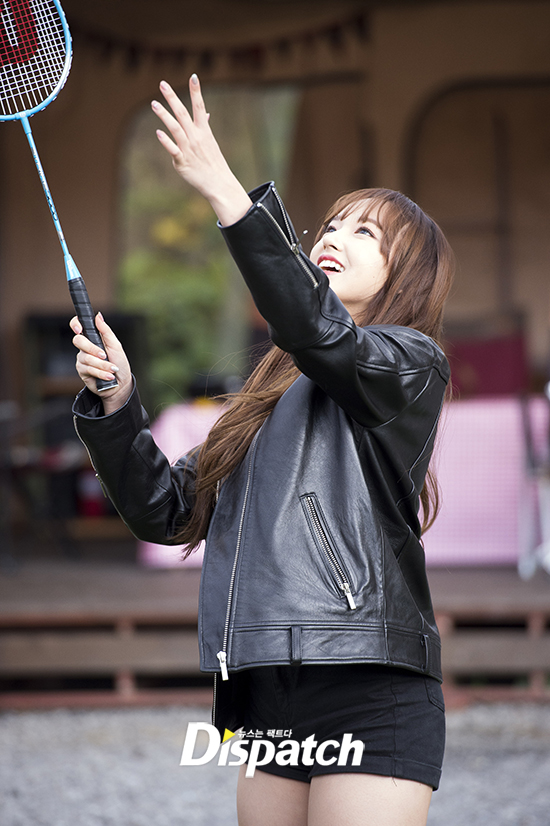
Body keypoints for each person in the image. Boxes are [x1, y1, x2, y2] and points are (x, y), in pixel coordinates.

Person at [70, 75, 454, 826]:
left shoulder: (412, 364)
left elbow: (318, 331)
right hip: (264, 685)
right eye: (332, 224)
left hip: (367, 678)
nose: (334, 236)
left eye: (366, 233)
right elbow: (166, 511)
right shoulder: (265, 394)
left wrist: (224, 189)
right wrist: (118, 404)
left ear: (407, 277)